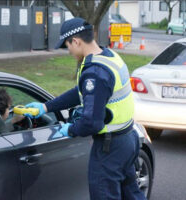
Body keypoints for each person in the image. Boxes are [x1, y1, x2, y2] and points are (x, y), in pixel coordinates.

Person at [25, 18, 146, 199]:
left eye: (68, 46)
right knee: (131, 194)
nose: (69, 51)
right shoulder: (108, 56)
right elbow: (81, 92)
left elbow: (92, 123)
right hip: (128, 138)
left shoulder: (95, 72)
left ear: (76, 41)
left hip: (110, 148)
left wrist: (71, 129)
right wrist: (46, 106)